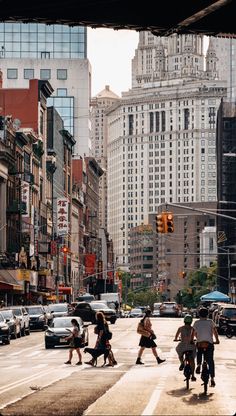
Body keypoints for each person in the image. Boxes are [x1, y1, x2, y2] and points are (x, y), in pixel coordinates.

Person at [193, 307, 220, 387]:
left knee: (199, 352)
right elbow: (215, 332)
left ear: (199, 314)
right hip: (209, 344)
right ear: (208, 314)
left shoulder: (196, 322)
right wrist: (217, 340)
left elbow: (193, 333)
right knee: (210, 360)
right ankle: (212, 379)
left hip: (200, 343)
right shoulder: (211, 322)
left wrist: (194, 339)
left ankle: (198, 364)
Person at [174, 314, 196, 381]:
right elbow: (196, 337)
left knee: (180, 354)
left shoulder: (180, 328)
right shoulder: (193, 329)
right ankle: (193, 375)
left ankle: (182, 363)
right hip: (191, 346)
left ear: (184, 321)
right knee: (192, 359)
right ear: (191, 321)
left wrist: (176, 339)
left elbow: (176, 337)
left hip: (182, 346)